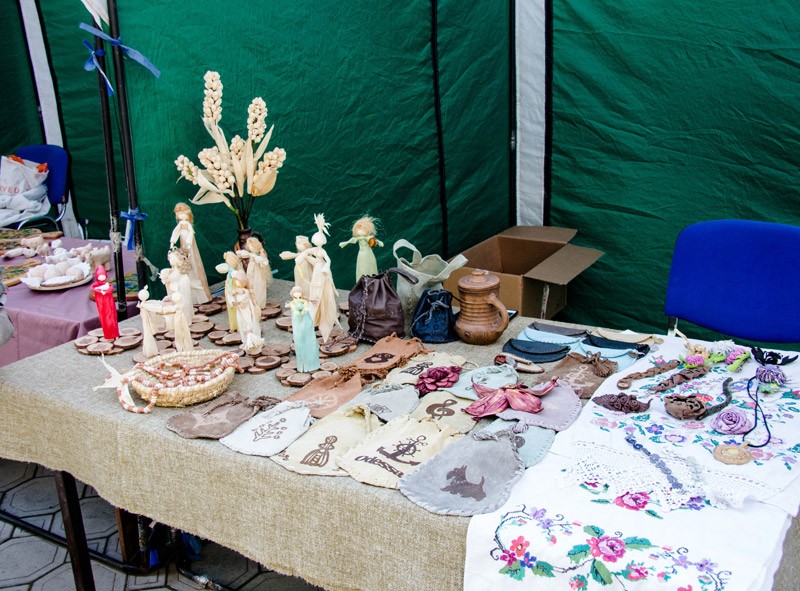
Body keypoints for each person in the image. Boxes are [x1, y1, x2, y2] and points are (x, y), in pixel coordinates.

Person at [303, 214, 340, 343]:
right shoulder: (313, 250)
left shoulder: (322, 252)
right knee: (315, 286)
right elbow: (307, 253)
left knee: (321, 286)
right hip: (316, 270)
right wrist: (303, 255)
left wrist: (326, 267)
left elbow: (328, 260)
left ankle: (322, 313)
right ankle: (314, 313)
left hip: (321, 269)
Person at [169, 202, 212, 305]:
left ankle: (201, 296)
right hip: (184, 245)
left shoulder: (187, 225)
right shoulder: (180, 225)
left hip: (189, 245)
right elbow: (175, 232)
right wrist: (172, 242)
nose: (181, 216)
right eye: (179, 214)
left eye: (183, 213)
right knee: (186, 263)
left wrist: (188, 243)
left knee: (193, 262)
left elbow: (191, 234)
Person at [339, 215, 383, 282]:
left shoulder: (368, 238)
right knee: (362, 268)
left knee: (370, 267)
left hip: (368, 254)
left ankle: (372, 281)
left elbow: (376, 241)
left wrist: (378, 242)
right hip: (361, 255)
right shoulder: (359, 239)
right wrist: (345, 243)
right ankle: (362, 282)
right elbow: (351, 240)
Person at [230, 270, 264, 355]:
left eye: (238, 281)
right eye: (235, 281)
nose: (236, 283)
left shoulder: (246, 292)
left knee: (249, 324)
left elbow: (244, 301)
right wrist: (233, 301)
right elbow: (230, 297)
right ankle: (245, 341)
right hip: (240, 312)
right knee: (241, 324)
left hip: (246, 311)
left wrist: (239, 302)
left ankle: (253, 341)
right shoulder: (236, 291)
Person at [288, 285, 320, 372]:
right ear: (292, 294)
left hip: (306, 321)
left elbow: (306, 308)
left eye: (298, 291)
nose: (297, 293)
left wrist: (304, 310)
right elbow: (294, 310)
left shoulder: (304, 301)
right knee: (299, 340)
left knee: (309, 340)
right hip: (298, 322)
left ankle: (312, 365)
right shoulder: (292, 303)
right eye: (295, 292)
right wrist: (299, 311)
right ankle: (303, 366)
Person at [237, 236, 272, 310]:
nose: (251, 249)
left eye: (252, 247)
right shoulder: (251, 254)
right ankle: (252, 302)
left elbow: (264, 263)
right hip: (251, 270)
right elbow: (243, 254)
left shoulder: (261, 254)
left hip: (258, 271)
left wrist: (258, 259)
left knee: (258, 285)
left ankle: (259, 304)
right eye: (249, 248)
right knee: (250, 284)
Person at [215, 251, 243, 331]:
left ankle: (238, 325)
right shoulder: (233, 271)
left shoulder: (234, 273)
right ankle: (235, 325)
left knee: (235, 308)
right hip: (230, 289)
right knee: (233, 308)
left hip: (233, 290)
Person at [91, 265, 119, 339]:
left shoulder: (108, 285)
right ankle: (108, 335)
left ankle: (115, 334)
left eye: (103, 275)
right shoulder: (96, 286)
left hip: (109, 302)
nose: (102, 277)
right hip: (101, 302)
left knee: (111, 317)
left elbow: (111, 288)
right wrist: (100, 291)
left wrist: (105, 292)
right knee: (104, 318)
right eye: (100, 276)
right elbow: (93, 288)